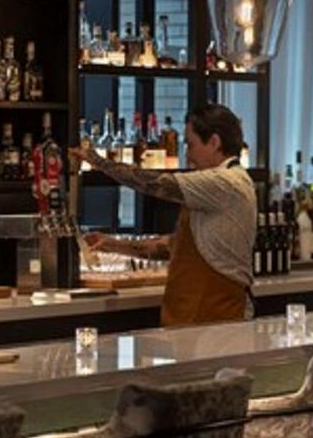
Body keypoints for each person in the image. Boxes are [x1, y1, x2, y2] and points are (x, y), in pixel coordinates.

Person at [70, 104, 256, 326]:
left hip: (217, 320)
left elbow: (154, 183)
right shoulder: (215, 187)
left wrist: (97, 161)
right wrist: (112, 245)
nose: (188, 156)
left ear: (214, 142)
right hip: (194, 320)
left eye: (191, 145)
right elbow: (173, 246)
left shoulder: (227, 182)